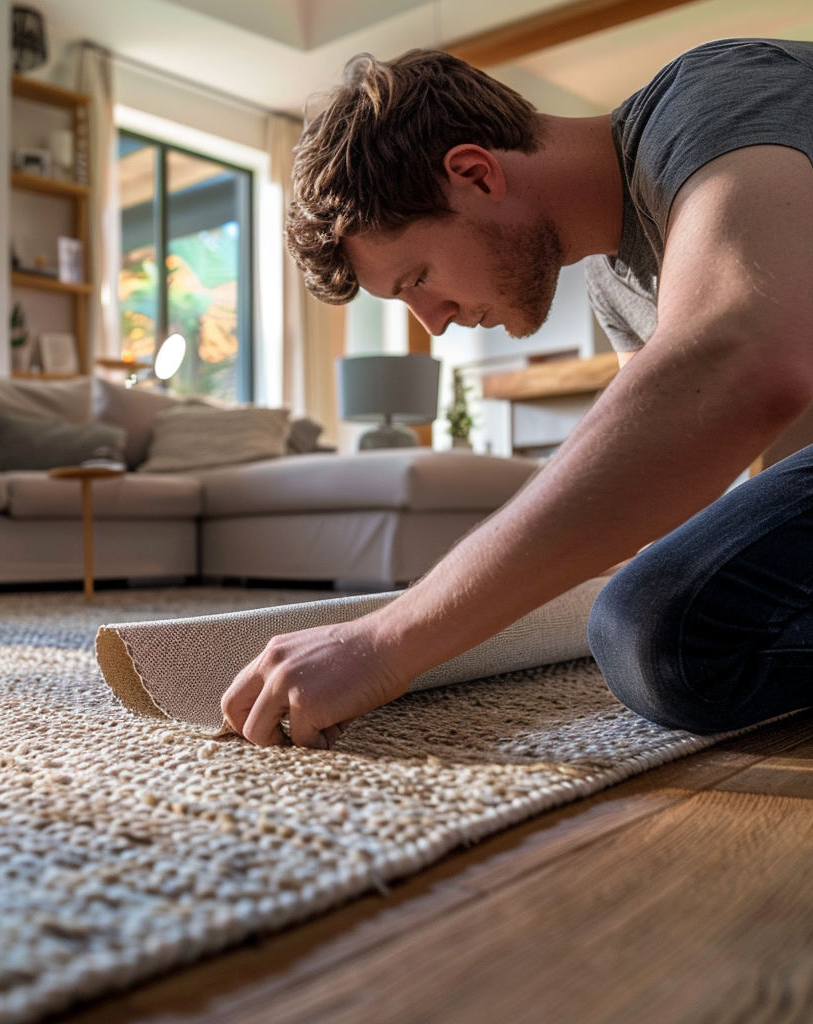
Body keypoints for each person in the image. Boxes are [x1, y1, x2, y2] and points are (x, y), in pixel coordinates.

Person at [222, 39, 813, 748]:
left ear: (474, 173)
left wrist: (385, 642)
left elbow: (737, 361)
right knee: (660, 613)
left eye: (416, 280)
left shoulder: (712, 99)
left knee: (664, 628)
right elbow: (664, 479)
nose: (433, 323)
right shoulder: (613, 283)